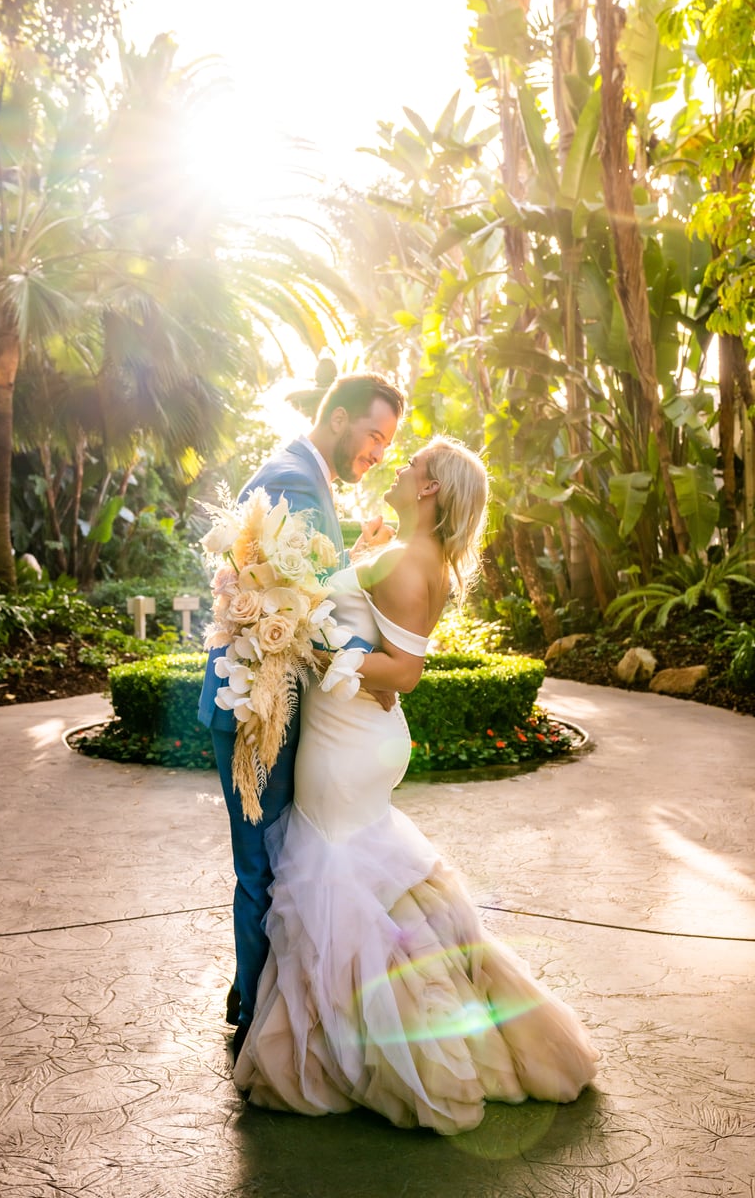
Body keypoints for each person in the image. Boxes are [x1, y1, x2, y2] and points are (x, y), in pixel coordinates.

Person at [233, 436, 599, 1135]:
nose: (398, 469)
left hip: (346, 745)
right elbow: (369, 621)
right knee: (367, 875)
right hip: (357, 738)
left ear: (430, 489)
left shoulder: (407, 562)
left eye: (412, 466)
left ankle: (378, 1047)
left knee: (333, 871)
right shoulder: (408, 554)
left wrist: (307, 641)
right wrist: (351, 566)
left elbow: (402, 672)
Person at [197, 372, 406, 1060]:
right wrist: (376, 669)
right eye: (374, 435)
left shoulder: (302, 475)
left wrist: (353, 558)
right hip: (257, 705)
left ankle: (256, 999)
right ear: (338, 418)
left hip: (268, 699)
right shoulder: (293, 478)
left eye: (386, 443)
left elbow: (304, 585)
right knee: (265, 865)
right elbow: (301, 609)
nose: (377, 453)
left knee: (274, 858)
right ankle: (258, 1020)